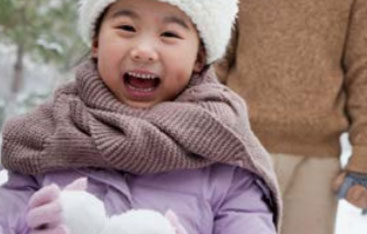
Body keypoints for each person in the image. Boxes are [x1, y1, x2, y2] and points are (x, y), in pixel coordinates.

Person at [0, 0, 282, 233]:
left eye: (169, 34)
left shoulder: (223, 151)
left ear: (199, 56)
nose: (144, 51)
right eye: (126, 28)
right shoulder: (46, 136)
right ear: (96, 41)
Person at [214, 0, 367, 234]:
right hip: (240, 148)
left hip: (316, 160)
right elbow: (217, 56)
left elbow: (362, 71)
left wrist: (363, 156)